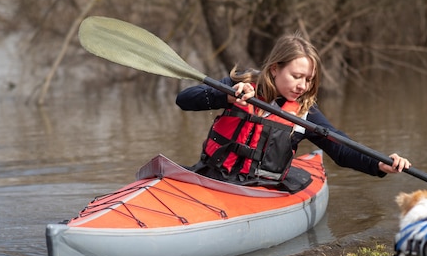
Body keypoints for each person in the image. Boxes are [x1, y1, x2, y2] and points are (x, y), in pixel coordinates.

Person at [175, 32, 411, 191]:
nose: (303, 86)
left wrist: (379, 164)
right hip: (211, 176)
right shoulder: (240, 85)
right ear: (275, 69)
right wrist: (226, 94)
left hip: (260, 190)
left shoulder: (304, 112)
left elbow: (341, 149)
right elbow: (184, 100)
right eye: (296, 76)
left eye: (308, 80)